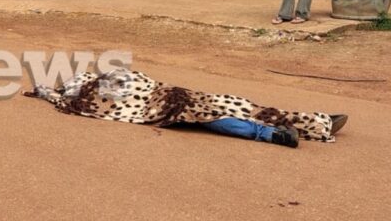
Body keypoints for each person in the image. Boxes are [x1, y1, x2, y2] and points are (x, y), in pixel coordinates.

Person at [25, 68, 350, 148]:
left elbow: (140, 81)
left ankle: (308, 123)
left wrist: (44, 91)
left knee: (222, 111)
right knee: (223, 109)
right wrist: (44, 92)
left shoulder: (86, 93)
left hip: (165, 99)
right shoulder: (87, 94)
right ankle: (291, 129)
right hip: (165, 101)